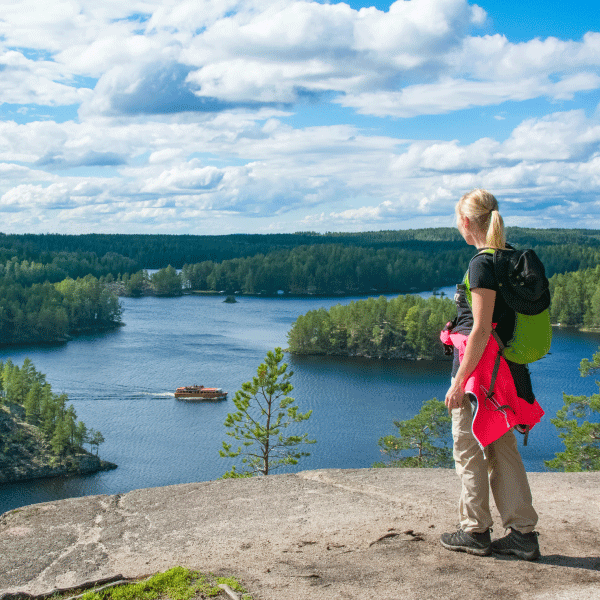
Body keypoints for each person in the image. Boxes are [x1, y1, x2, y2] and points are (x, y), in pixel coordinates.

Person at [440, 189, 541, 561]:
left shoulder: (481, 264)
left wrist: (456, 384)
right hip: (506, 372)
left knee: (468, 450)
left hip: (479, 374)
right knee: (502, 448)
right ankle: (523, 535)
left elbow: (481, 330)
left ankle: (475, 531)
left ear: (466, 222)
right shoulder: (511, 257)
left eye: (457, 220)